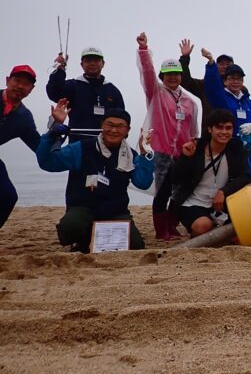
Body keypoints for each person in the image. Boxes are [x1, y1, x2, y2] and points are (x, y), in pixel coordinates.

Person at [37, 103, 153, 252]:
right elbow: (47, 163)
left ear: (127, 131)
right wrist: (51, 135)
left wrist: (145, 155)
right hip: (83, 208)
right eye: (109, 125)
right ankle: (83, 240)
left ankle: (91, 240)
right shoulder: (81, 148)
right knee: (71, 228)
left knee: (136, 246)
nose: (113, 130)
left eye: (120, 126)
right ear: (101, 125)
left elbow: (143, 183)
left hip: (115, 212)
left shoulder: (131, 155)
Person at [136, 32, 200, 240]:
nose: (172, 77)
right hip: (162, 152)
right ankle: (161, 230)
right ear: (162, 76)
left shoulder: (190, 102)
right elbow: (147, 73)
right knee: (162, 192)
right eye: (168, 73)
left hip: (183, 154)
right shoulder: (156, 93)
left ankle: (172, 225)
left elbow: (193, 131)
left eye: (176, 73)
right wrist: (144, 50)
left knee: (180, 192)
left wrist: (193, 149)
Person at [171, 109, 251, 238]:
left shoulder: (236, 147)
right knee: (203, 226)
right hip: (193, 203)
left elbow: (245, 176)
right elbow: (175, 178)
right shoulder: (196, 147)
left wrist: (223, 191)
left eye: (228, 128)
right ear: (210, 129)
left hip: (221, 202)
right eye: (219, 128)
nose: (224, 132)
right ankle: (198, 233)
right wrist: (185, 158)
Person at [202, 48, 251, 178]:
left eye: (239, 79)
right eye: (231, 78)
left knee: (246, 183)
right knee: (228, 183)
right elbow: (211, 87)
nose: (235, 82)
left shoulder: (249, 103)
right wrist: (211, 65)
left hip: (248, 152)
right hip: (227, 149)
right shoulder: (221, 98)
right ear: (225, 81)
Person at [46, 46, 125, 142]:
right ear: (82, 64)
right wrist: (59, 69)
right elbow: (54, 93)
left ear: (103, 63)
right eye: (88, 61)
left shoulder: (113, 91)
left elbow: (122, 118)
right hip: (78, 145)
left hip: (107, 145)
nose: (92, 63)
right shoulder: (73, 85)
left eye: (96, 60)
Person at [0, 65, 40, 228]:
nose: (21, 86)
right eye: (17, 81)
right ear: (8, 81)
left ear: (31, 89)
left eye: (26, 84)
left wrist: (55, 129)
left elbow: (40, 147)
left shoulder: (24, 117)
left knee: (8, 196)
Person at [179, 38, 234, 131]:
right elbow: (185, 80)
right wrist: (184, 58)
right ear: (216, 66)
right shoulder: (205, 85)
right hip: (209, 134)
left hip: (232, 135)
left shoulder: (240, 90)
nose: (225, 66)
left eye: (228, 64)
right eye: (221, 64)